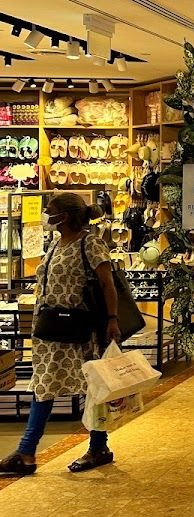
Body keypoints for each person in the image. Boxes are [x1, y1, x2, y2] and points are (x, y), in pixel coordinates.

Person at [0, 193, 121, 476]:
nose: (46, 215)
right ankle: (27, 451)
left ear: (64, 216)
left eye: (50, 210)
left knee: (93, 386)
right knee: (43, 385)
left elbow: (108, 284)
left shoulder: (90, 243)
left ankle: (97, 446)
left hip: (79, 328)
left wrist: (112, 320)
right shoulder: (56, 243)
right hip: (50, 327)